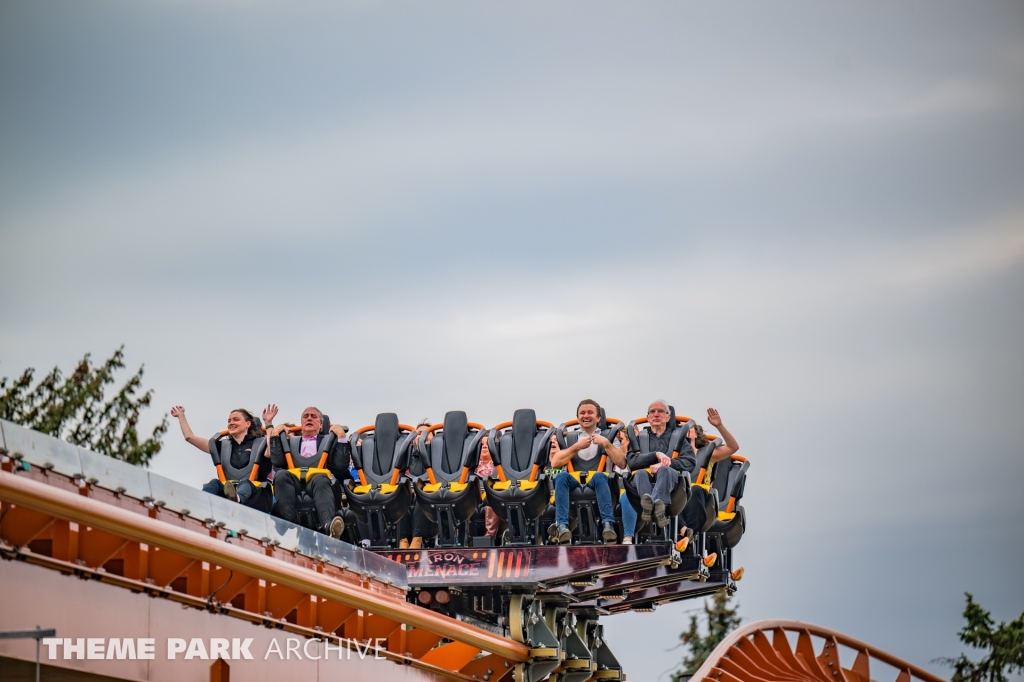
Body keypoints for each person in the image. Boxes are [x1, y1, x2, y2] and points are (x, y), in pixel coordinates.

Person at [628, 401, 739, 550]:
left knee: (691, 492)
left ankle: (686, 535)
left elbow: (732, 447)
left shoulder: (704, 451)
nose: (656, 414)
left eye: (660, 411)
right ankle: (669, 524)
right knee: (648, 481)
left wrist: (719, 425)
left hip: (687, 489)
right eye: (652, 412)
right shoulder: (647, 440)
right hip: (663, 486)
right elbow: (630, 461)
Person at [548, 399, 627, 545]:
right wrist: (576, 447)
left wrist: (606, 444)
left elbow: (622, 462)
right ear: (578, 417)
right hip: (574, 484)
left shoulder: (608, 436)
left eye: (590, 412)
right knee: (561, 476)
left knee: (598, 476)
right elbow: (555, 462)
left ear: (598, 418)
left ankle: (608, 525)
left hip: (600, 484)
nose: (586, 415)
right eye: (582, 413)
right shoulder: (570, 438)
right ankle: (562, 526)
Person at [170, 405, 276, 512]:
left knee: (245, 482)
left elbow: (272, 450)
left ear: (247, 424)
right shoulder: (222, 446)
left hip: (257, 495)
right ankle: (198, 505)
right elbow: (190, 437)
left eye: (236, 419)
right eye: (229, 421)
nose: (231, 423)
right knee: (215, 483)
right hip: (228, 491)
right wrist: (181, 415)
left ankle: (237, 499)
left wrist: (268, 423)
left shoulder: (260, 444)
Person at [267, 406, 351, 539]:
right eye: (306, 417)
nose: (309, 419)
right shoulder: (291, 442)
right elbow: (277, 462)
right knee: (281, 475)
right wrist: (275, 435)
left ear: (321, 424)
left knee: (320, 478)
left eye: (313, 416)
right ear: (301, 424)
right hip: (295, 483)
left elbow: (341, 465)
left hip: (319, 484)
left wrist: (341, 437)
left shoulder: (328, 441)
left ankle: (329, 526)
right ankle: (286, 520)